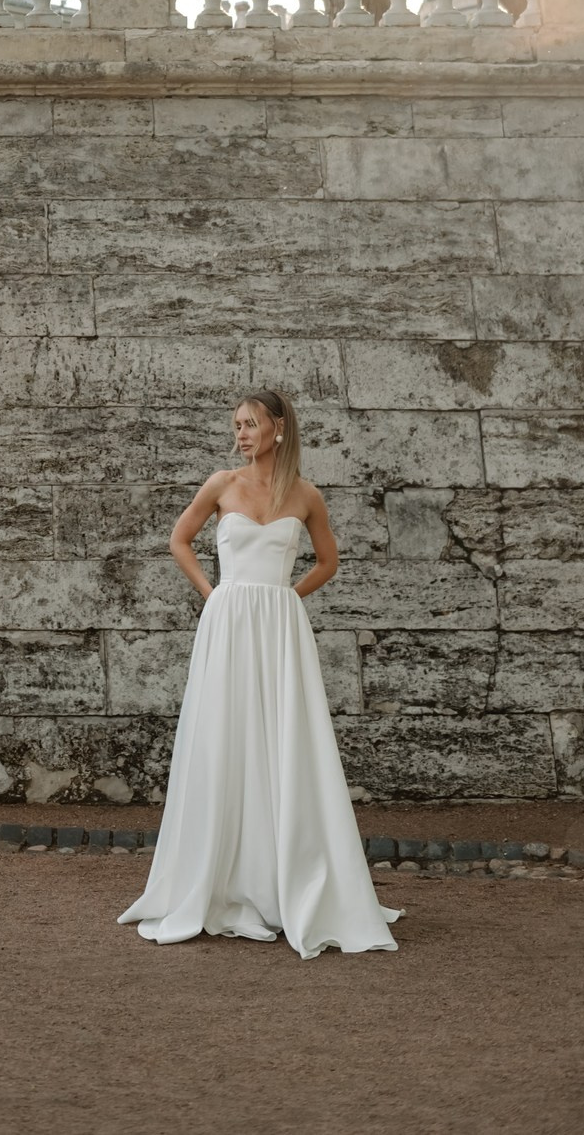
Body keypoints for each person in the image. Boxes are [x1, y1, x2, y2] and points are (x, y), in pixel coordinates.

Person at [118, 388, 405, 956]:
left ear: (279, 428)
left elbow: (329, 561)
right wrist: (213, 594)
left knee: (284, 740)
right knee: (226, 734)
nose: (241, 433)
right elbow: (179, 540)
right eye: (237, 425)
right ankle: (221, 879)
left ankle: (288, 877)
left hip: (279, 625)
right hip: (227, 621)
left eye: (251, 424)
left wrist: (287, 598)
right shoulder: (221, 483)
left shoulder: (306, 495)